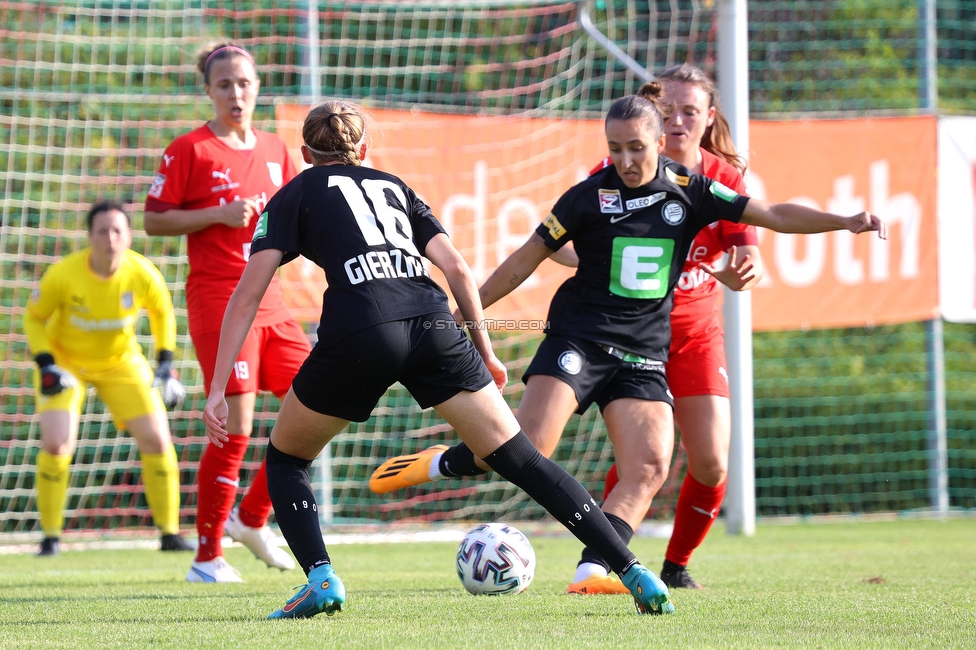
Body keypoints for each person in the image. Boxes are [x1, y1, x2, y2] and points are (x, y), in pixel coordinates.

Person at [370, 87, 886, 594]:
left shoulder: (693, 188)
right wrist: (467, 313)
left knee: (649, 466)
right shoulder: (586, 197)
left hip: (643, 352)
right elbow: (526, 259)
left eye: (636, 147)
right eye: (615, 148)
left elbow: (771, 215)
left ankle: (593, 570)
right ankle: (441, 461)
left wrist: (844, 222)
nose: (625, 159)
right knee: (524, 452)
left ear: (660, 142)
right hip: (579, 337)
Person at [202, 99, 676, 619]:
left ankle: (321, 579)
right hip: (435, 326)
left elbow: (249, 292)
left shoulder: (294, 192)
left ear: (305, 154)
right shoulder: (396, 186)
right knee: (522, 459)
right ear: (364, 149)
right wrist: (486, 350)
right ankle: (632, 569)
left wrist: (218, 387)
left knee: (287, 460)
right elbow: (456, 268)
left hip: (361, 331)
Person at [572, 64, 764, 591]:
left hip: (695, 334)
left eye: (689, 111)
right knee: (642, 459)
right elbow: (568, 242)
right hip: (630, 336)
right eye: (668, 111)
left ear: (708, 119)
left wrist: (741, 269)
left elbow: (748, 257)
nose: (677, 121)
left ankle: (676, 566)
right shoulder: (614, 174)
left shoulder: (721, 180)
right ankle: (601, 559)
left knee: (710, 462)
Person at [144, 41, 306, 582]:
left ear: (258, 86)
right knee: (236, 422)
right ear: (208, 91)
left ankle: (251, 516)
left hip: (274, 302)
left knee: (321, 400)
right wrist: (217, 213)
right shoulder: (190, 149)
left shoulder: (278, 149)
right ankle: (207, 556)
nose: (235, 94)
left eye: (244, 83)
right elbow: (154, 219)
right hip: (218, 299)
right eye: (224, 85)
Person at [23, 201, 191, 556]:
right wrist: (46, 363)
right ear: (90, 236)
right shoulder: (64, 275)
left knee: (158, 440)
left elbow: (163, 312)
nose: (110, 239)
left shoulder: (142, 272)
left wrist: (165, 364)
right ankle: (51, 538)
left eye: (118, 231)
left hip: (121, 364)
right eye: (102, 231)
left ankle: (169, 534)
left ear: (129, 236)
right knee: (56, 445)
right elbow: (34, 318)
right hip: (66, 366)